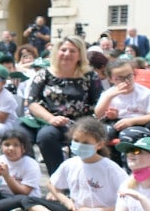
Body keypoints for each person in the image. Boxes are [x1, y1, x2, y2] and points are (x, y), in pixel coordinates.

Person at [14, 117, 122, 211]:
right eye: (76, 140)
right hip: (73, 210)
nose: (80, 145)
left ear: (99, 144)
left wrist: (95, 210)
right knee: (28, 201)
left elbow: (126, 204)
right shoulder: (70, 163)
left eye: (86, 143)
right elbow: (51, 184)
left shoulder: (110, 169)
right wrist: (65, 200)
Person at [23, 36, 103, 175]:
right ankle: (56, 178)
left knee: (48, 136)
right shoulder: (44, 74)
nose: (67, 54)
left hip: (80, 122)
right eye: (63, 50)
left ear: (80, 55)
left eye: (72, 51)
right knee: (34, 135)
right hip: (48, 119)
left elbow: (98, 102)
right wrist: (51, 119)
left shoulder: (90, 76)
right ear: (56, 52)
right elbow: (32, 102)